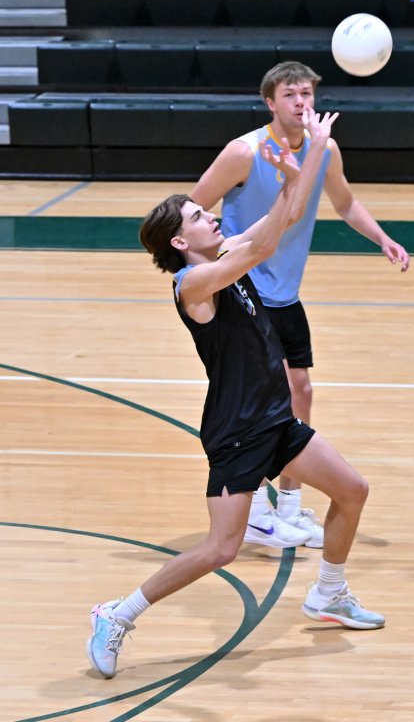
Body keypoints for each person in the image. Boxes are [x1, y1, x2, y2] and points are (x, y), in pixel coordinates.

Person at [86, 109, 385, 680]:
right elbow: (265, 243)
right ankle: (116, 615)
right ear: (180, 241)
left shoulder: (220, 259)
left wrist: (301, 166)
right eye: (200, 216)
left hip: (275, 419)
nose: (213, 215)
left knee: (352, 490)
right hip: (238, 431)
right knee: (220, 549)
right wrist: (310, 156)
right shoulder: (195, 283)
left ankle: (329, 593)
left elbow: (284, 218)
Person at [191, 60, 410, 551]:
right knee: (269, 397)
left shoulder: (323, 149)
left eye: (307, 94)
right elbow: (191, 208)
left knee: (301, 392)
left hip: (285, 292)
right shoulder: (244, 152)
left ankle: (288, 505)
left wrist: (382, 238)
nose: (301, 102)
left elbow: (345, 203)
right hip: (246, 289)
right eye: (290, 95)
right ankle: (253, 508)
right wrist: (211, 269)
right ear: (270, 102)